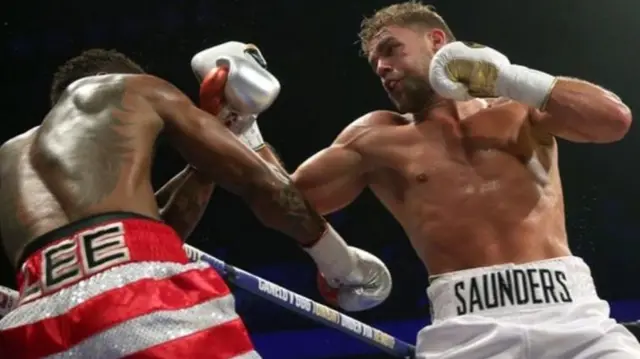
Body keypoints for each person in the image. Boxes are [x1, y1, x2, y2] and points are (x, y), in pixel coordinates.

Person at [236, 2, 640, 358]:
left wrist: (508, 77)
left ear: (437, 41)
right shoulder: (378, 138)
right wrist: (245, 126)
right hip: (467, 331)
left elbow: (613, 121)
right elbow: (284, 201)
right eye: (375, 62)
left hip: (572, 316)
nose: (382, 67)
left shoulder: (519, 107)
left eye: (391, 50)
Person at [0, 47, 391, 358]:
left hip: (29, 329)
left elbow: (151, 236)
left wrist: (214, 143)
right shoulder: (133, 88)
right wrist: (341, 263)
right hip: (140, 305)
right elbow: (265, 187)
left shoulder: (9, 155)